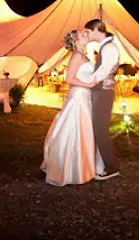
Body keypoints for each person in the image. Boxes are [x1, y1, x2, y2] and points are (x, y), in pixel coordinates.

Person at [40, 29, 104, 186]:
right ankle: (71, 168)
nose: (85, 34)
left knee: (84, 131)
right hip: (78, 98)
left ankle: (84, 166)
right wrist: (88, 84)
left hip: (84, 97)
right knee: (76, 130)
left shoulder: (83, 55)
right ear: (75, 40)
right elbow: (69, 79)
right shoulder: (76, 56)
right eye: (82, 34)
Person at [85, 19, 121, 180]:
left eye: (88, 31)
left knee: (100, 130)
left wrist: (90, 81)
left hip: (104, 92)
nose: (87, 34)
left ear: (96, 29)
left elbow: (105, 70)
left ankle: (112, 167)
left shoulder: (110, 48)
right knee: (98, 129)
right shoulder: (105, 47)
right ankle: (103, 163)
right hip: (101, 91)